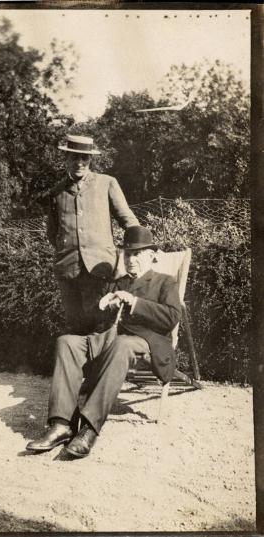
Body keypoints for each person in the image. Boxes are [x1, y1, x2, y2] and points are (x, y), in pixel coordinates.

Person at [26, 225, 182, 459]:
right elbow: (95, 323)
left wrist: (134, 302)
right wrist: (102, 306)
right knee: (67, 342)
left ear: (151, 255)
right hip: (109, 338)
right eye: (128, 254)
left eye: (137, 254)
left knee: (122, 345)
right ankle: (61, 424)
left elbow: (172, 317)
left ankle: (89, 428)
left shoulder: (164, 282)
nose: (131, 260)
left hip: (147, 342)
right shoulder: (118, 283)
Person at [47, 134, 139, 334]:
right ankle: (79, 365)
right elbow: (52, 232)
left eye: (84, 158)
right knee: (75, 325)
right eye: (74, 157)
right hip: (68, 270)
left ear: (90, 160)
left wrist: (137, 251)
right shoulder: (57, 192)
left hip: (100, 268)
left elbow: (128, 221)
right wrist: (68, 253)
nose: (79, 163)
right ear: (66, 159)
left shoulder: (107, 183)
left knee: (101, 323)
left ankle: (100, 364)